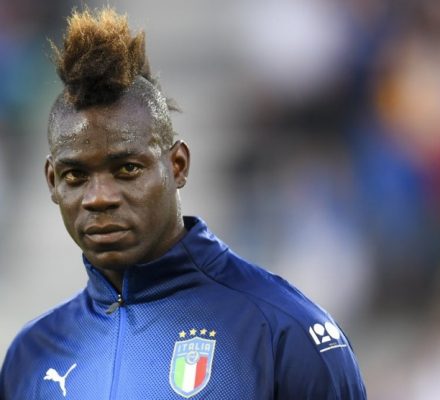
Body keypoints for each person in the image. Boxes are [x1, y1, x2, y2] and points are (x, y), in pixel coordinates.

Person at [0, 7, 366, 399]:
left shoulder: (283, 331)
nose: (99, 197)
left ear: (178, 165)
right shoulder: (31, 358)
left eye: (127, 168)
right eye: (76, 175)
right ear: (52, 181)